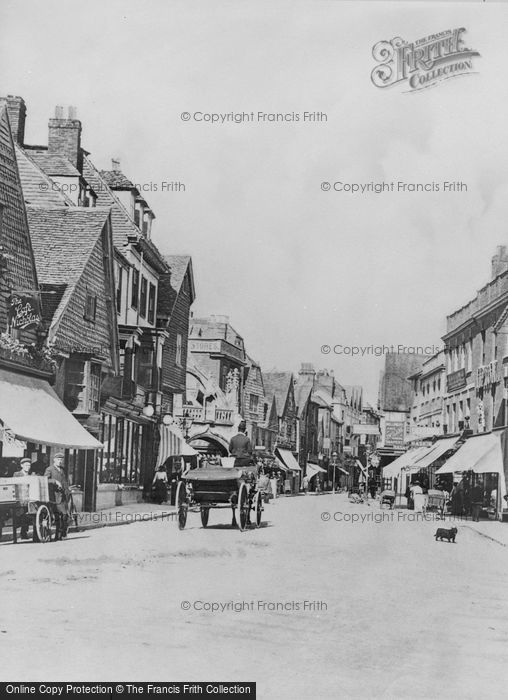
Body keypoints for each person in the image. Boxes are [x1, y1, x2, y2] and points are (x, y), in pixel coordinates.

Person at [45, 452, 71, 540]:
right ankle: (58, 535)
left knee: (64, 516)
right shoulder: (49, 469)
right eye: (58, 460)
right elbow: (46, 480)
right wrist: (55, 481)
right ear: (54, 460)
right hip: (54, 496)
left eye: (61, 460)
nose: (60, 461)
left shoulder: (62, 470)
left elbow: (65, 482)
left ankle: (60, 534)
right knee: (58, 516)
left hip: (64, 496)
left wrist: (68, 491)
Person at [13, 457, 32, 539]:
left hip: (28, 498)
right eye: (26, 465)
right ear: (22, 465)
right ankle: (21, 531)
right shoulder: (17, 474)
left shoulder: (31, 475)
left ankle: (24, 532)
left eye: (29, 465)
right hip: (20, 498)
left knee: (27, 515)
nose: (28, 467)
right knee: (20, 515)